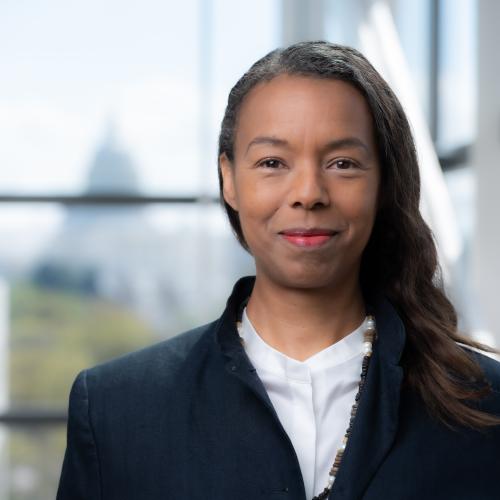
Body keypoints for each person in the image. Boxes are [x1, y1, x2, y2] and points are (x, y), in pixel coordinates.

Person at [56, 41, 500, 500]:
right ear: (228, 179)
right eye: (272, 163)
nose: (308, 192)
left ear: (384, 182)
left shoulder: (487, 404)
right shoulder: (116, 408)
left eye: (342, 163)